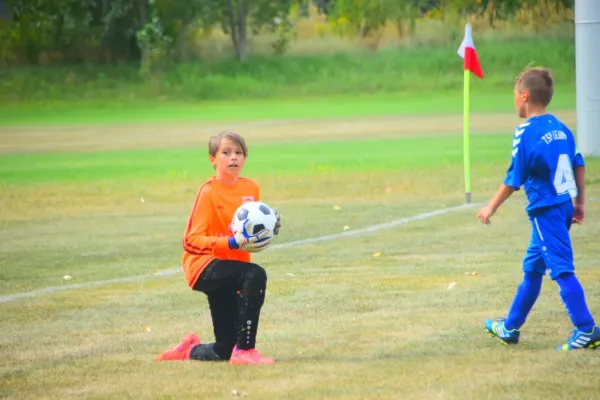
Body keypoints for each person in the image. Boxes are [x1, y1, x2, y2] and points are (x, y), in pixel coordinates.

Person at [477, 67, 600, 351]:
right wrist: (579, 203)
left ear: (524, 96)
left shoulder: (525, 133)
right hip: (563, 206)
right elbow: (578, 162)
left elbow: (513, 179)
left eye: (514, 96)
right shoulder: (561, 128)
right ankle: (510, 327)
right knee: (533, 268)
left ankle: (586, 328)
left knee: (561, 270)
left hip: (546, 211)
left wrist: (490, 208)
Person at [156, 131, 281, 364]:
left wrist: (269, 228)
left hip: (231, 270)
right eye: (226, 152)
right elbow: (190, 241)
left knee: (223, 349)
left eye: (239, 153)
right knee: (256, 275)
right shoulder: (208, 192)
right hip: (203, 267)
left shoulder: (251, 189)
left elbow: (248, 232)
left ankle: (188, 350)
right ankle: (245, 352)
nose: (233, 157)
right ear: (213, 159)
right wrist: (231, 243)